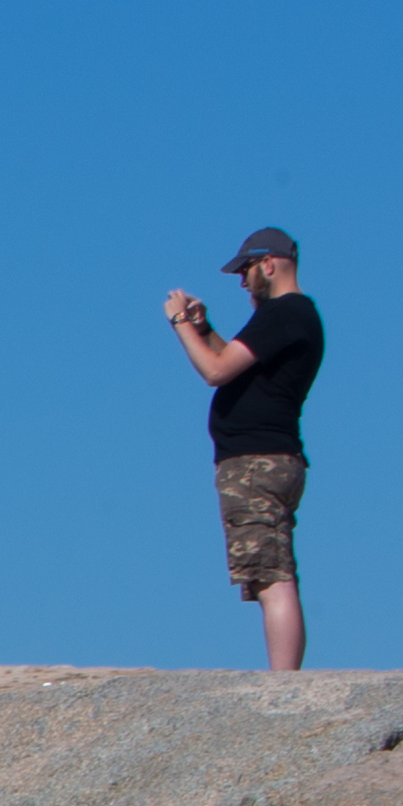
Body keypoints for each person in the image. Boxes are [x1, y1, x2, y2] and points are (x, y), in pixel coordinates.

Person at [165, 227, 323, 668]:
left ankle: (283, 685)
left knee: (272, 576)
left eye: (247, 270)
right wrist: (204, 328)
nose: (242, 281)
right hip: (269, 458)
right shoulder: (291, 318)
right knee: (266, 572)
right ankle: (283, 679)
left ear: (269, 265)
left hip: (256, 462)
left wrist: (180, 325)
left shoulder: (284, 313)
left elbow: (215, 370)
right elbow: (236, 363)